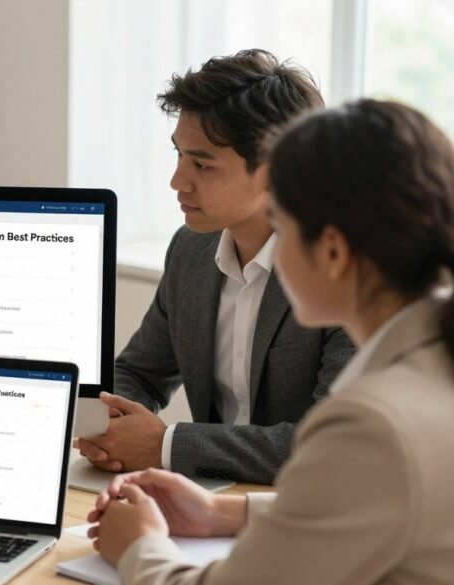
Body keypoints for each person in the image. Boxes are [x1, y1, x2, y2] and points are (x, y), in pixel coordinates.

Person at [88, 99, 454, 583]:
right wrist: (224, 514)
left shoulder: (373, 422)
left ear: (333, 252)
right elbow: (366, 502)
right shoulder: (428, 364)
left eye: (281, 220)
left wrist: (140, 546)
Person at [77, 49, 355, 484]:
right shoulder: (191, 250)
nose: (177, 181)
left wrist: (164, 445)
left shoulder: (347, 273)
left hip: (302, 509)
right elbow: (138, 372)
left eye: (202, 164)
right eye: (179, 155)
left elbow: (331, 446)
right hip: (205, 498)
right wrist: (103, 424)